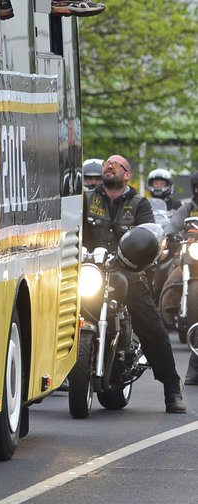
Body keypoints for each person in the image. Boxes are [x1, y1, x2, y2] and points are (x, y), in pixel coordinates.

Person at [84, 153, 186, 412]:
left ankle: (171, 388)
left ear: (127, 175)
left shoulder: (139, 204)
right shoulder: (87, 200)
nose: (109, 166)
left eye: (116, 165)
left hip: (127, 273)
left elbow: (150, 239)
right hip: (91, 271)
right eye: (107, 163)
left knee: (152, 327)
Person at [161, 171, 198, 384]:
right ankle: (165, 313)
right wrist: (169, 235)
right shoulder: (187, 208)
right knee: (169, 278)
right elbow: (173, 224)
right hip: (189, 258)